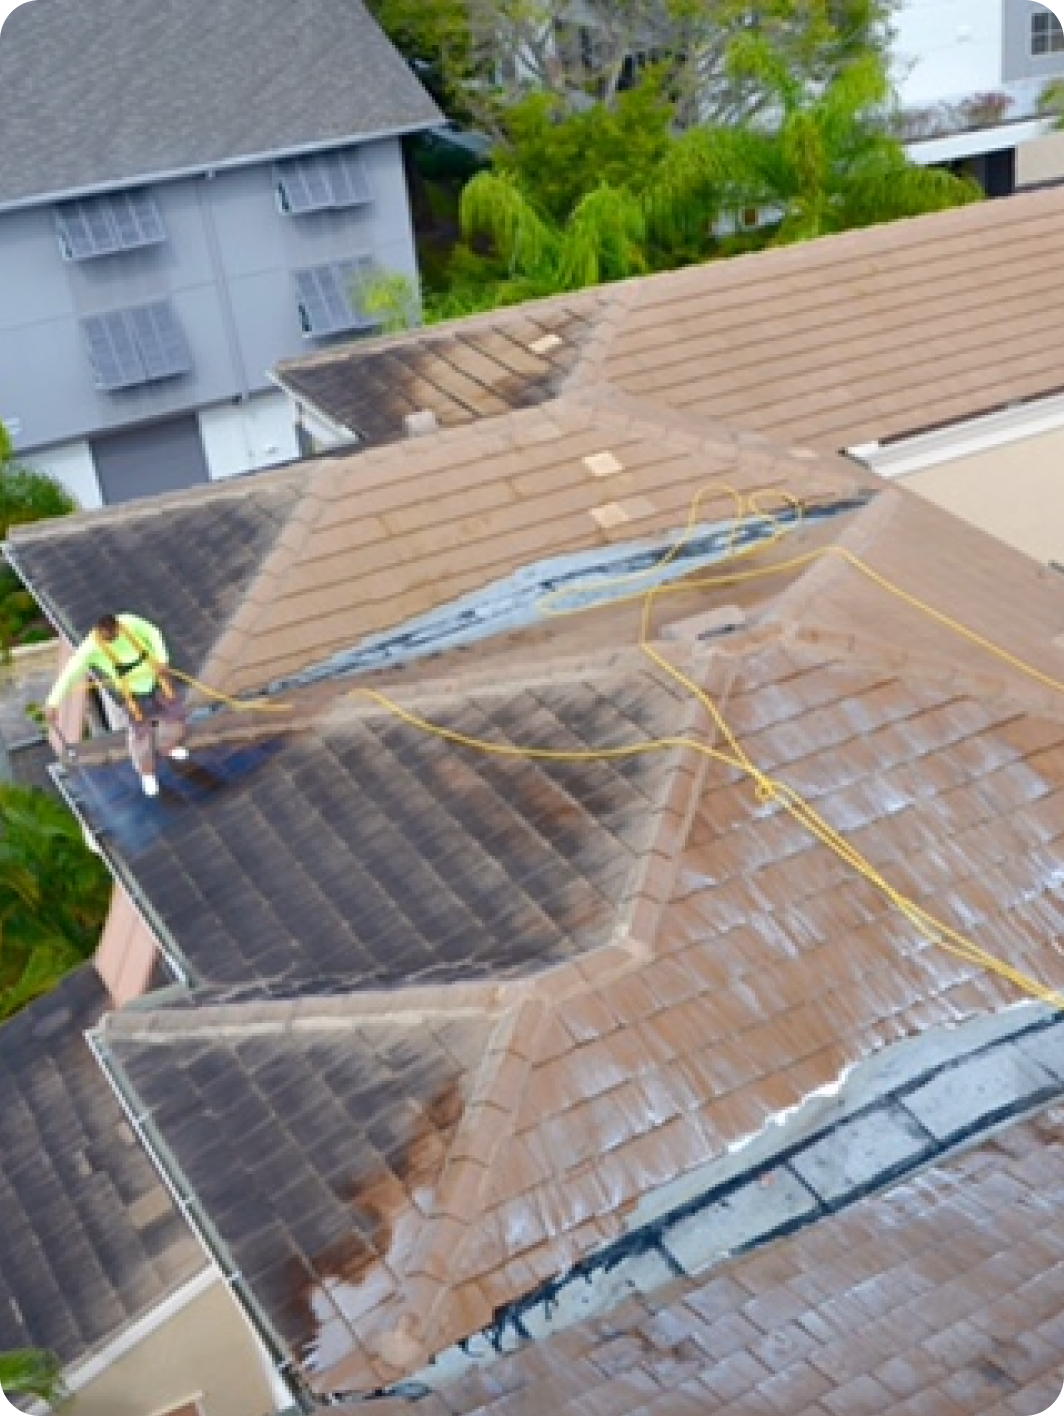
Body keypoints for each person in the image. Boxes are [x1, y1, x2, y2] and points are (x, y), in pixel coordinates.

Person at [44, 612, 189, 798]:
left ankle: (168, 746)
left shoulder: (130, 622)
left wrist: (162, 659)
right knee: (140, 732)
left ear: (118, 626)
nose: (112, 638)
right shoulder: (90, 648)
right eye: (107, 636)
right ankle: (147, 772)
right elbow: (70, 673)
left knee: (174, 717)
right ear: (100, 632)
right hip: (132, 692)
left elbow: (153, 632)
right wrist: (53, 702)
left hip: (158, 680)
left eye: (114, 634)